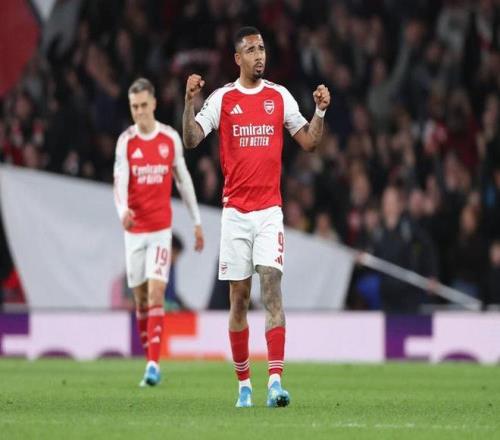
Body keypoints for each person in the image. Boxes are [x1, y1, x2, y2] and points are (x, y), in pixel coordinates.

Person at [182, 26, 330, 408]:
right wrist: (189, 103)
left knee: (272, 287)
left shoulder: (279, 96)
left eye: (262, 48)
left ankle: (275, 383)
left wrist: (320, 111)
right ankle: (244, 385)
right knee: (239, 299)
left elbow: (310, 141)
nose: (259, 55)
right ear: (238, 58)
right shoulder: (223, 98)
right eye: (250, 50)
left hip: (269, 213)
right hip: (235, 214)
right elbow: (192, 139)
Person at [113, 77, 204, 387]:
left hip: (160, 231)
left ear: (153, 103)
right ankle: (150, 359)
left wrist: (196, 221)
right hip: (134, 232)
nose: (139, 111)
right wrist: (123, 212)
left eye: (143, 105)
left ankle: (153, 364)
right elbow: (119, 182)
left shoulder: (169, 138)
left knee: (155, 294)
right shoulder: (126, 141)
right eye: (134, 107)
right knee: (140, 301)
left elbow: (184, 181)